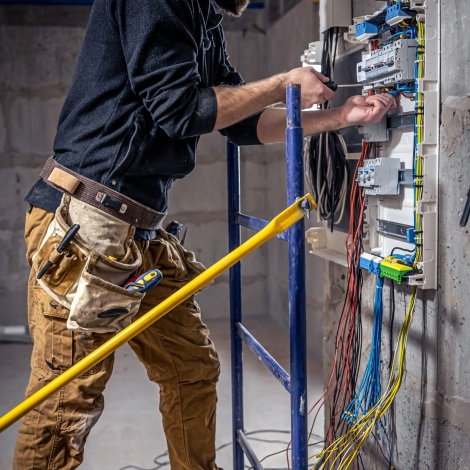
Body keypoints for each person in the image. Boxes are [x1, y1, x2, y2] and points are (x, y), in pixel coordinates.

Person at [13, 0, 396, 468]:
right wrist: (282, 83)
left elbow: (243, 123)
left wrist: (340, 118)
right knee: (65, 403)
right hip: (86, 225)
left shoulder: (203, 20)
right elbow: (181, 111)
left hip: (139, 233)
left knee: (191, 369)